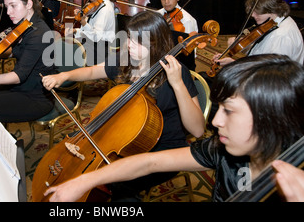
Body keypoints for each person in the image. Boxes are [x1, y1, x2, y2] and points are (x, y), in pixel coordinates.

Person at [43, 53, 304, 202]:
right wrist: (85, 180)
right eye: (219, 108)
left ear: (271, 118)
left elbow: (197, 128)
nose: (216, 121)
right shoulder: (222, 150)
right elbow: (150, 163)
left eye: (230, 111)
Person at [42, 10, 205, 201]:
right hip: (122, 136)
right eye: (128, 38)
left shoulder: (177, 73)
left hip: (161, 148)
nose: (129, 45)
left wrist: (178, 85)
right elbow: (94, 71)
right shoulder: (126, 59)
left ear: (156, 43)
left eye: (137, 41)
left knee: (117, 185)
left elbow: (198, 130)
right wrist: (64, 75)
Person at [214, 0, 304, 66]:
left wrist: (235, 64)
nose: (252, 15)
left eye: (256, 11)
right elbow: (260, 51)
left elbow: (270, 74)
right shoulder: (275, 22)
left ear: (271, 9)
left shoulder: (281, 36)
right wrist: (241, 46)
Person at [70, 0, 116, 65]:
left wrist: (83, 22)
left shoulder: (105, 9)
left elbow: (96, 36)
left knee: (68, 55)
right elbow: (91, 29)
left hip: (99, 50)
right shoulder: (98, 5)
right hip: (94, 45)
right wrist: (76, 31)